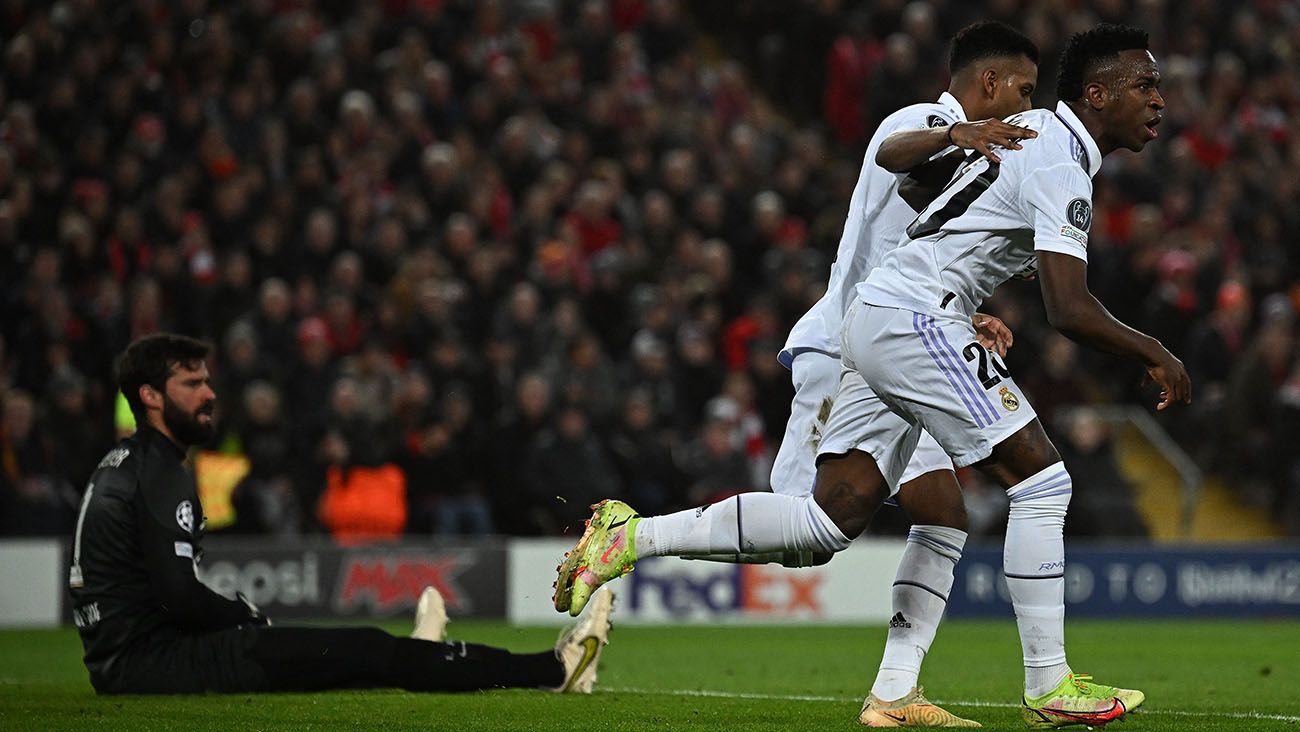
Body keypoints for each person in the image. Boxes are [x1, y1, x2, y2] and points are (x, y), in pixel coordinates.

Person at [559, 23, 1184, 729]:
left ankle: (637, 539)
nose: (1160, 99)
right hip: (891, 323)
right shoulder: (961, 126)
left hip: (893, 317)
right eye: (1147, 84)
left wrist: (965, 304)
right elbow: (1056, 298)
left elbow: (940, 220)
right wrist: (1153, 349)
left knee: (841, 520)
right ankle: (1048, 684)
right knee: (1042, 481)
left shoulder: (1024, 138)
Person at [68, 333, 614, 695]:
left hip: (130, 663)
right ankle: (554, 668)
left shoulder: (123, 464)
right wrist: (242, 616)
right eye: (192, 384)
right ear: (151, 397)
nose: (209, 394)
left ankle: (423, 656)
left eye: (207, 380)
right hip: (163, 665)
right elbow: (177, 596)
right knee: (368, 649)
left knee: (354, 654)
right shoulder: (160, 472)